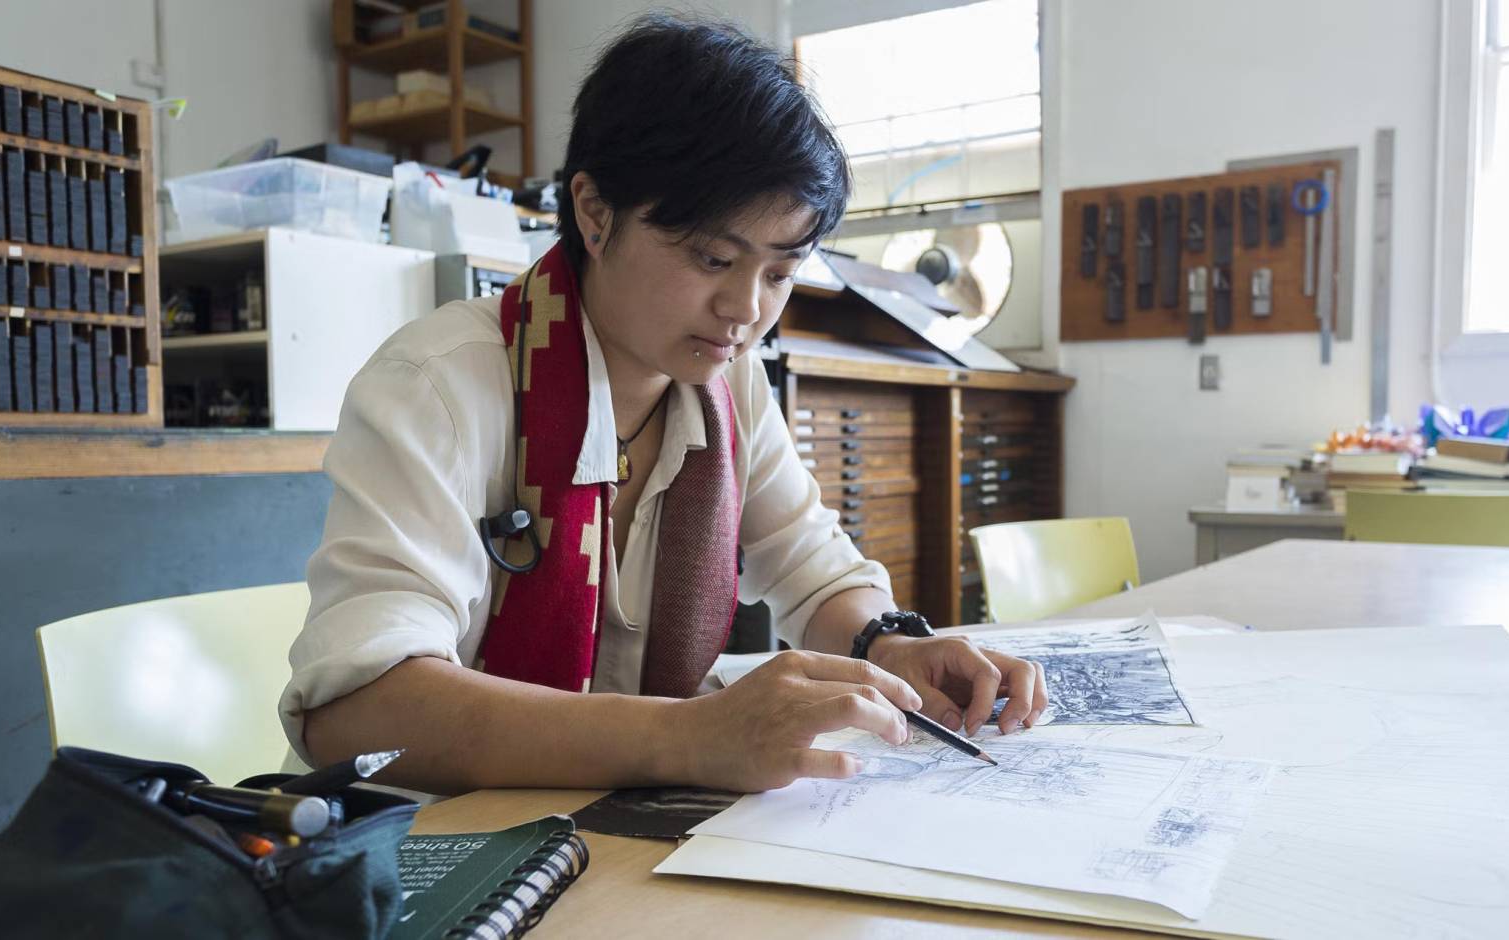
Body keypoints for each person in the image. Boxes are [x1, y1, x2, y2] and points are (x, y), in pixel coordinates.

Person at [280, 13, 1046, 796]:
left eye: (780, 273)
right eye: (714, 257)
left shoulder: (727, 383)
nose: (745, 310)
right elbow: (357, 709)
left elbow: (810, 563)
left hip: (612, 833)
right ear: (595, 212)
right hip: (436, 843)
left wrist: (887, 643)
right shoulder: (438, 385)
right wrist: (685, 736)